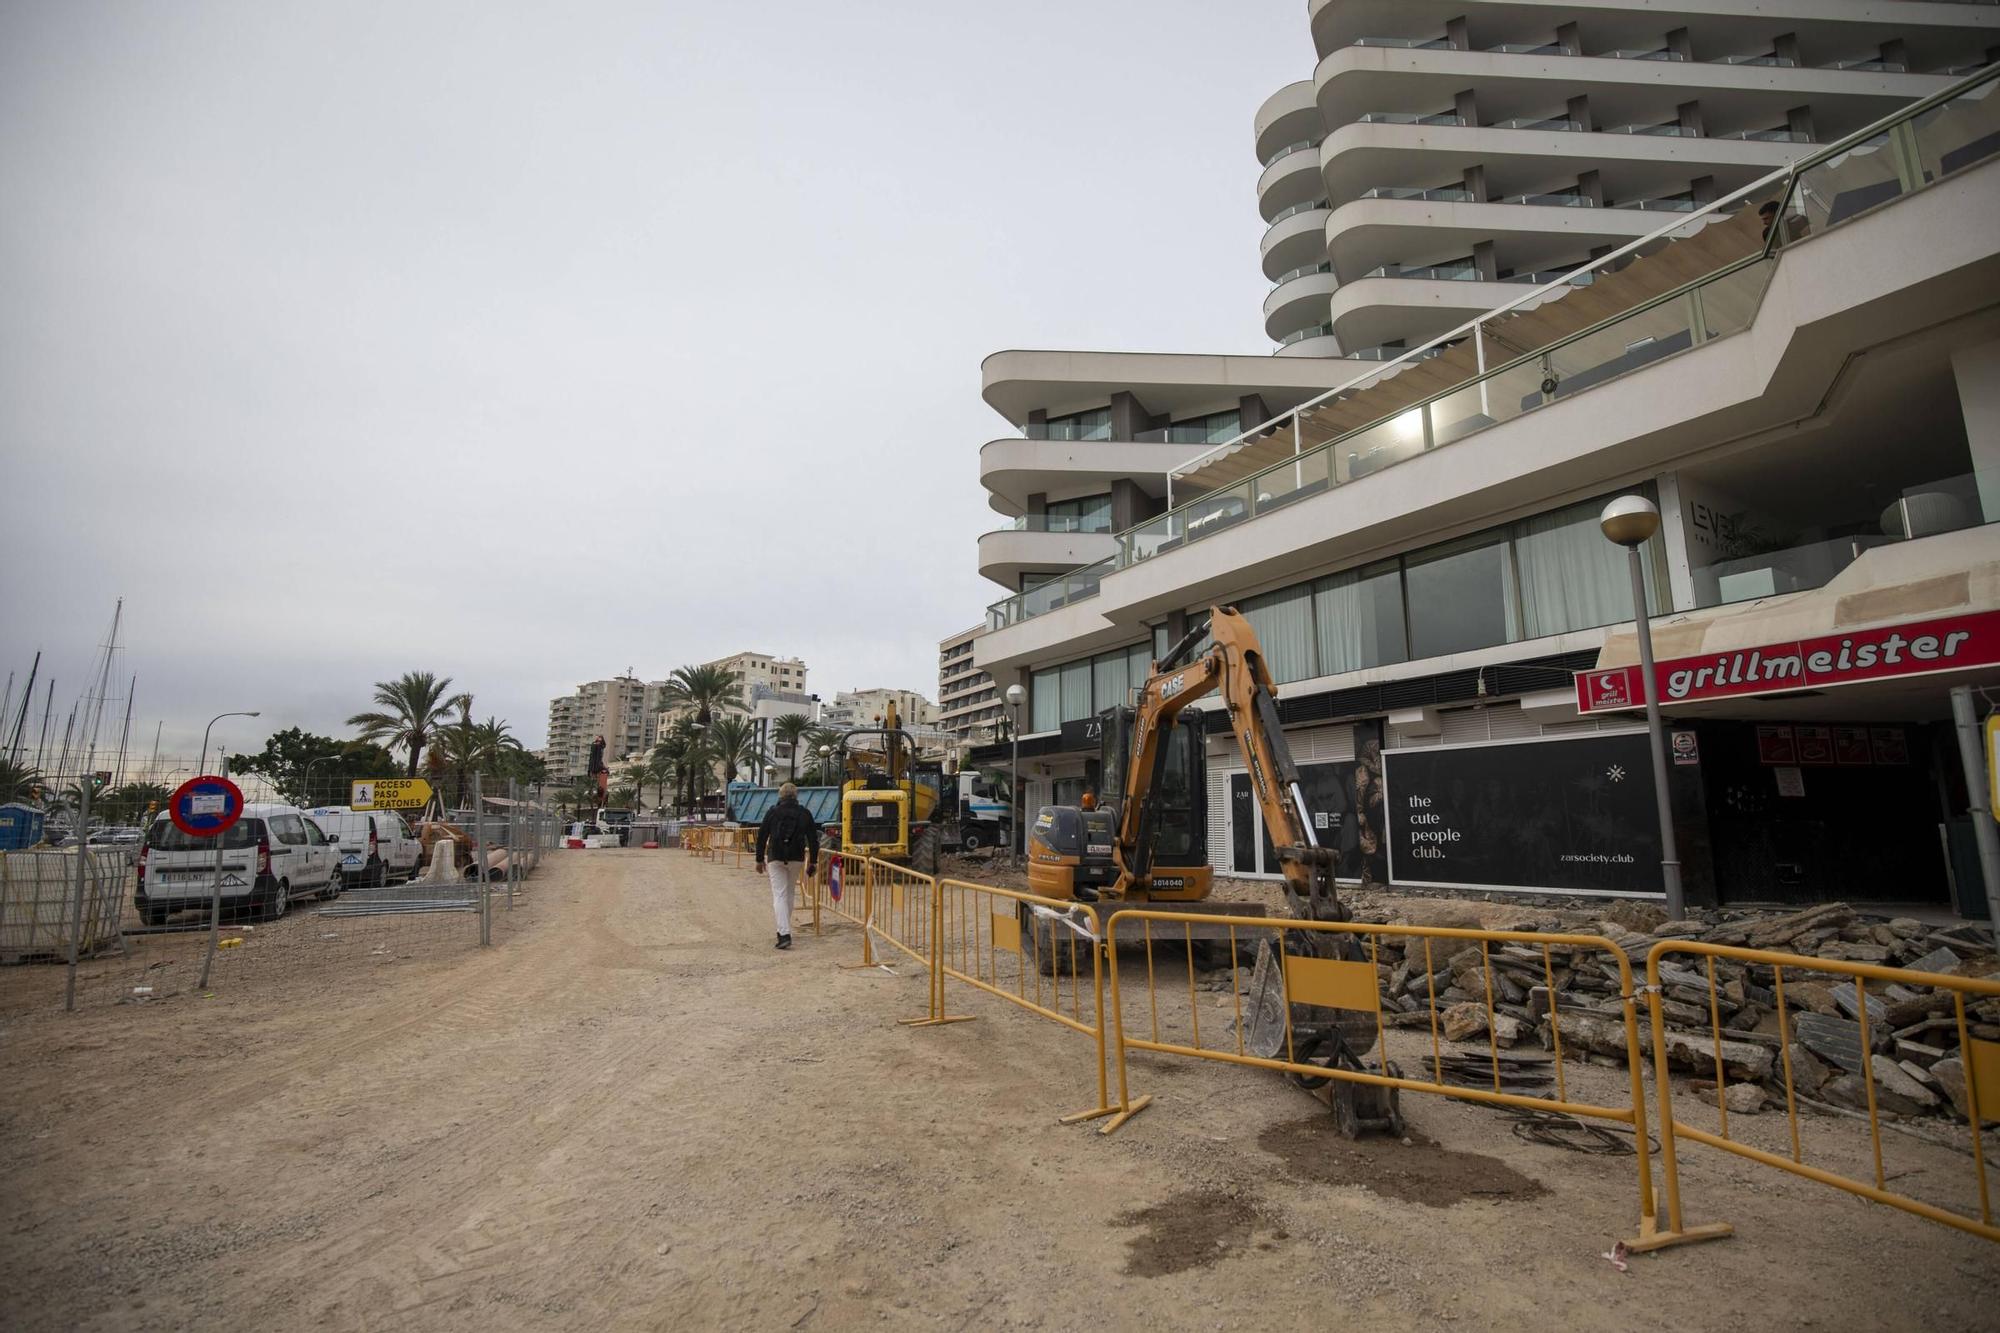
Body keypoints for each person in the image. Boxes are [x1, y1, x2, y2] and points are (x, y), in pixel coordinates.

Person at [755, 782, 819, 950]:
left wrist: (759, 859)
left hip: (776, 856)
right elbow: (813, 839)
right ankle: (783, 928)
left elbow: (762, 836)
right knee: (789, 892)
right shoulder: (804, 813)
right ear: (796, 795)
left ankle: (784, 933)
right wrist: (813, 861)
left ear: (780, 795)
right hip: (796, 857)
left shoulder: (772, 812)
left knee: (779, 894)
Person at [588, 734, 608, 805]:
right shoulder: (595, 745)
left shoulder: (600, 746)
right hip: (595, 765)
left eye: (600, 738)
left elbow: (603, 746)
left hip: (597, 764)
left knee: (602, 773)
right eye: (599, 738)